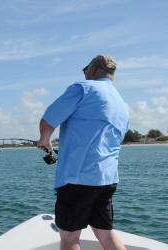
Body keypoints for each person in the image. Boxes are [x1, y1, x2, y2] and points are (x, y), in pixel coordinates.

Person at [37, 55, 129, 250]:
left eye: (86, 69)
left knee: (70, 238)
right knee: (105, 233)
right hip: (107, 179)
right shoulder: (121, 103)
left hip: (78, 179)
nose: (85, 73)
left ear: (93, 69)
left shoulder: (82, 88)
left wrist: (44, 139)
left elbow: (49, 119)